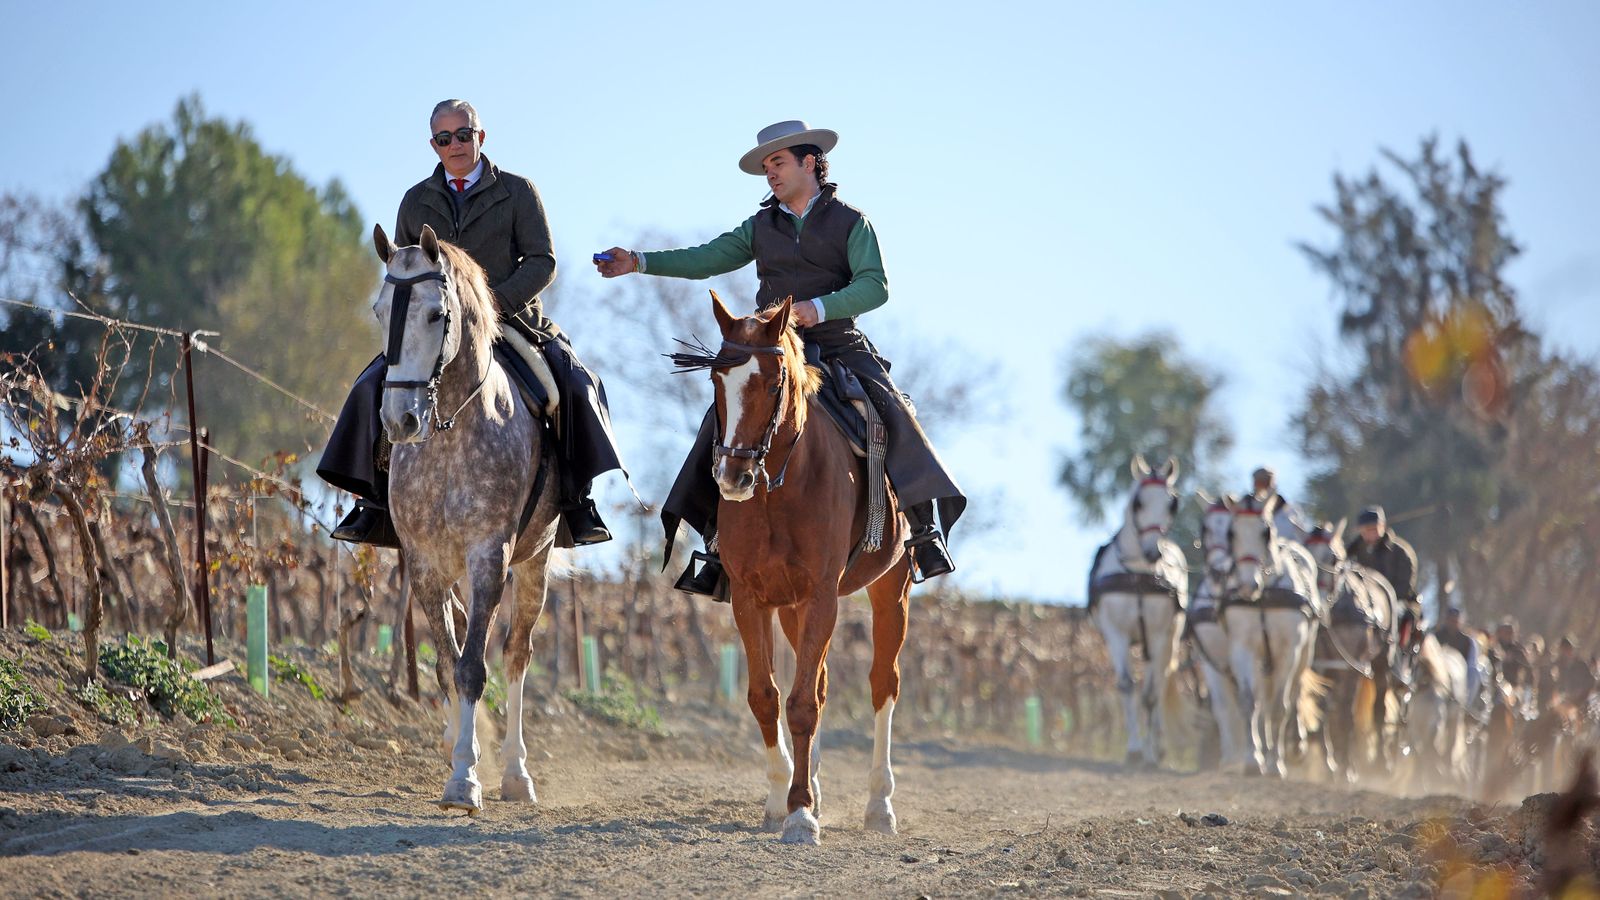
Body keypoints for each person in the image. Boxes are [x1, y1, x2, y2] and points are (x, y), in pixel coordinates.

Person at [594, 120, 964, 598]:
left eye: (778, 162)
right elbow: (706, 258)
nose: (770, 173)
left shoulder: (851, 222)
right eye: (766, 166)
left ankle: (923, 530)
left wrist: (820, 308)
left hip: (839, 345)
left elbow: (876, 286)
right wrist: (639, 261)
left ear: (809, 162)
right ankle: (715, 544)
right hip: (773, 350)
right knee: (724, 422)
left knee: (892, 411)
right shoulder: (760, 226)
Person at [318, 99, 625, 548]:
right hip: (436, 329)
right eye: (445, 139)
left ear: (480, 137)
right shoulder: (415, 200)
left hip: (510, 322)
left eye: (463, 135)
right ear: (434, 146)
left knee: (574, 386)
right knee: (371, 386)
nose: (455, 145)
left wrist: (490, 307)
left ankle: (578, 504)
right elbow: (405, 268)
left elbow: (543, 262)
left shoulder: (519, 191)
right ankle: (374, 503)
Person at [1345, 506, 1420, 643]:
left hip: (1398, 601)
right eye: (1366, 529)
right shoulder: (1353, 551)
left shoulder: (1401, 552)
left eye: (1373, 528)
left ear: (1383, 526)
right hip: (1364, 601)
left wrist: (1382, 600)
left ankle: (1395, 651)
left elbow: (1405, 587)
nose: (1370, 533)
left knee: (1400, 617)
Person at [1433, 605, 1483, 708]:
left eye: (1455, 620)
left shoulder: (1468, 641)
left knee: (1475, 672)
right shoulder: (1435, 637)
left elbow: (1472, 662)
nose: (1453, 623)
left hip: (1461, 676)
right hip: (1438, 672)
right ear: (1446, 620)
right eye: (1450, 620)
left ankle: (1465, 705)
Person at [1250, 467, 1307, 542]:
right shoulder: (1247, 513)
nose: (1262, 485)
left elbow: (1303, 539)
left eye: (1266, 481)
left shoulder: (1291, 512)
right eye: (1259, 482)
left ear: (1272, 483)